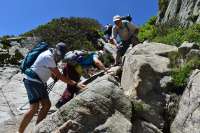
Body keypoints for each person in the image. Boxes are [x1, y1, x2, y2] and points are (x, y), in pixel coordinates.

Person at [18, 42, 85, 133]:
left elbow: (51, 72)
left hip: (39, 82)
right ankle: (20, 132)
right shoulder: (48, 56)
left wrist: (54, 77)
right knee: (34, 108)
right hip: (32, 81)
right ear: (57, 50)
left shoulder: (52, 55)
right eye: (60, 55)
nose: (60, 57)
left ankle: (37, 129)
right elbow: (59, 75)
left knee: (46, 105)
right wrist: (75, 84)